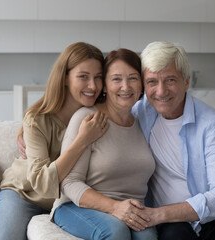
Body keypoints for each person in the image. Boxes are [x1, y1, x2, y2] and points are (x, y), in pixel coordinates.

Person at [130, 41, 215, 239]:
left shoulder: (211, 123)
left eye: (170, 80)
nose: (160, 91)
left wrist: (158, 214)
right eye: (152, 81)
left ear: (186, 81)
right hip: (175, 224)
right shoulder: (140, 113)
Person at [0, 42, 109, 240]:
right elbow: (41, 182)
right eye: (83, 76)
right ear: (65, 77)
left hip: (67, 202)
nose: (93, 86)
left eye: (98, 77)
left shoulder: (102, 114)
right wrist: (82, 140)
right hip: (25, 194)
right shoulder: (38, 119)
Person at [51, 48, 158, 240]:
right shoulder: (87, 118)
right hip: (76, 207)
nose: (126, 87)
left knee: (148, 237)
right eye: (116, 79)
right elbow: (70, 183)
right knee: (116, 231)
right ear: (105, 86)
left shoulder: (145, 122)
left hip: (131, 209)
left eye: (133, 78)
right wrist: (115, 207)